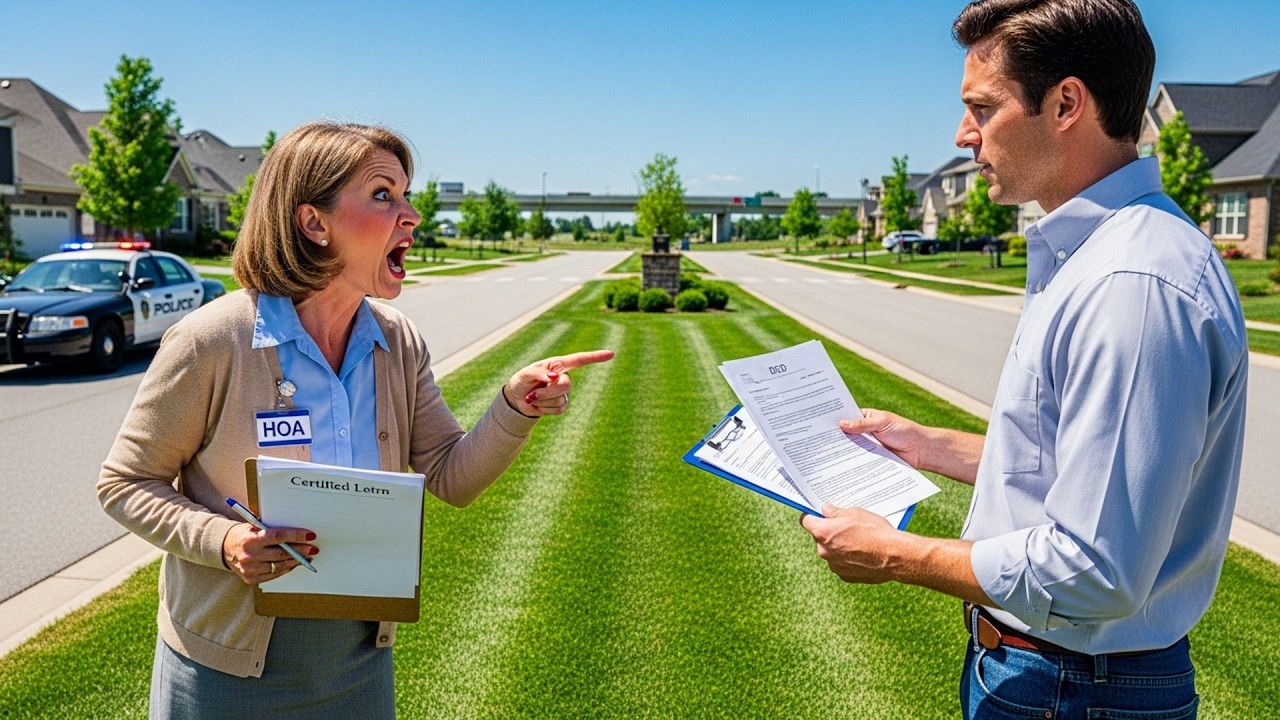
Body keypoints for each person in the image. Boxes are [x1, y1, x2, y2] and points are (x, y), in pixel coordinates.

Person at [800, 1, 1248, 718]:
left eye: (983, 106)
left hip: (1076, 689)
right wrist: (930, 446)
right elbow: (1088, 469)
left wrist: (892, 553)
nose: (962, 134)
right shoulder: (1101, 255)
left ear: (1067, 102)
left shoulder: (1131, 284)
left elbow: (1094, 570)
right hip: (1051, 676)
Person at [97, 120, 613, 719]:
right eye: (382, 195)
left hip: (359, 664)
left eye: (406, 194)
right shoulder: (212, 341)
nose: (412, 214)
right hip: (226, 669)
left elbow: (451, 476)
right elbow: (124, 484)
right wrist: (226, 540)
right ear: (314, 223)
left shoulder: (397, 341)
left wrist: (513, 407)